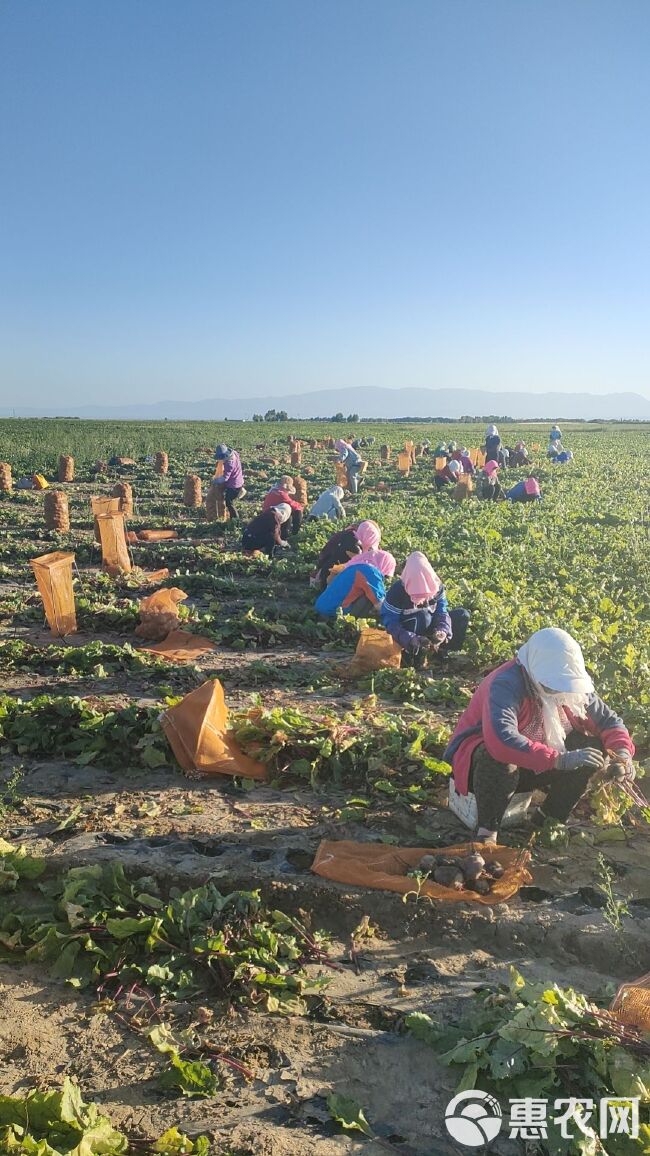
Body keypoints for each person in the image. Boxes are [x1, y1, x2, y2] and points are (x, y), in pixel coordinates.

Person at [444, 627, 635, 843]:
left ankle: (547, 820)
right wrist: (560, 760)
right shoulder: (506, 684)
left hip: (535, 762)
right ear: (534, 669)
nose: (558, 690)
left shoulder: (572, 686)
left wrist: (622, 755)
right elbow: (500, 740)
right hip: (481, 771)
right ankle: (486, 831)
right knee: (496, 757)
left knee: (592, 748)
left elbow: (609, 722)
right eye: (552, 684)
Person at [380, 552, 470, 667]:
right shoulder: (397, 592)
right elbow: (390, 623)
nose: (424, 602)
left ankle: (441, 651)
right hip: (408, 630)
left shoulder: (437, 586)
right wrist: (409, 638)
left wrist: (442, 629)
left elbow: (441, 611)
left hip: (430, 627)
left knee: (462, 615)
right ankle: (414, 655)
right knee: (422, 615)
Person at [315, 562, 386, 619]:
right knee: (371, 598)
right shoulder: (372, 573)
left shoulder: (355, 567)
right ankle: (351, 624)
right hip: (334, 613)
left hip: (321, 608)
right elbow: (379, 605)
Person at [214, 444, 245, 520]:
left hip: (234, 485)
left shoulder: (229, 464)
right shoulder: (234, 453)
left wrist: (215, 481)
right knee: (229, 499)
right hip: (239, 479)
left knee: (229, 502)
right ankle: (232, 517)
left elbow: (225, 478)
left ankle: (235, 519)